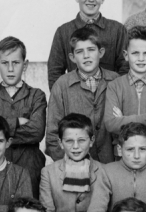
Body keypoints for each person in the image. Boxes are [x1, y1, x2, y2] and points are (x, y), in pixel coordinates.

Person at [0, 36, 47, 198]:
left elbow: (37, 131)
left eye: (16, 63)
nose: (10, 69)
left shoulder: (36, 95)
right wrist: (18, 122)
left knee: (27, 211)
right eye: (5, 63)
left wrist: (0, 125)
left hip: (29, 164)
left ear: (25, 65)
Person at [47, 25, 120, 163]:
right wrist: (71, 165)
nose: (86, 56)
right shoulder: (62, 86)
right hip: (74, 167)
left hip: (111, 166)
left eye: (91, 50)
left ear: (101, 52)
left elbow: (125, 127)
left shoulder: (116, 81)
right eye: (80, 52)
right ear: (72, 57)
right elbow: (52, 135)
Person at [104, 25, 146, 168]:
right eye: (135, 53)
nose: (141, 58)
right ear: (125, 55)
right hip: (124, 155)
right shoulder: (115, 87)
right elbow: (111, 124)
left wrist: (125, 124)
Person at [47, 0, 128, 89]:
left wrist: (116, 97)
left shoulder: (118, 30)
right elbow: (54, 73)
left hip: (109, 100)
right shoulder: (63, 32)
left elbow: (125, 68)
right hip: (74, 103)